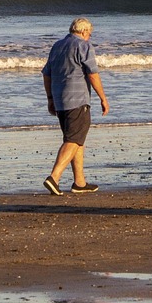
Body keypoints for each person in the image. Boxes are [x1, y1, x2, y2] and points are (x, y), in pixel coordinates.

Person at [41, 17, 110, 195]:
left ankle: (79, 182)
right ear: (84, 31)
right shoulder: (83, 46)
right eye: (90, 34)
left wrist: (50, 98)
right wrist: (103, 98)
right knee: (73, 140)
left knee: (76, 139)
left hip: (60, 99)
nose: (90, 37)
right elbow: (93, 74)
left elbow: (46, 74)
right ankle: (54, 177)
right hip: (77, 99)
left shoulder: (57, 46)